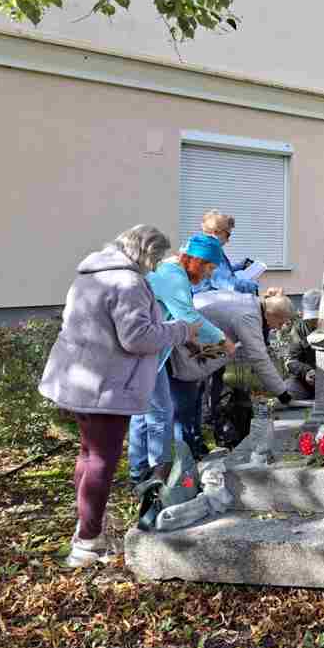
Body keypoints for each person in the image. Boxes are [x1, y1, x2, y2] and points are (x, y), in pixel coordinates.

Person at [38, 225, 197, 568]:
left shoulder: (90, 274)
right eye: (156, 259)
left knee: (88, 454)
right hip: (105, 385)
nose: (155, 266)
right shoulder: (128, 282)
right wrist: (181, 330)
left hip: (78, 380)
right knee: (101, 459)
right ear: (147, 252)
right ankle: (87, 542)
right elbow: (137, 338)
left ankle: (85, 527)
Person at [132, 234, 235, 468]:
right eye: (209, 268)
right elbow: (188, 317)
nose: (209, 275)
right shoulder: (174, 277)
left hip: (144, 349)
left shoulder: (170, 270)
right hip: (143, 352)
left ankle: (140, 471)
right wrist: (223, 340)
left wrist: (194, 345)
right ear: (195, 261)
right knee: (161, 413)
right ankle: (159, 475)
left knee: (143, 414)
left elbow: (173, 316)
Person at [194, 288, 300, 426]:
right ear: (270, 314)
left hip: (197, 333)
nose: (279, 328)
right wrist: (283, 394)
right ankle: (196, 428)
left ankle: (205, 422)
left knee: (203, 386)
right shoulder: (249, 317)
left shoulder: (251, 303)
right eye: (280, 323)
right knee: (191, 393)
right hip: (188, 339)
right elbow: (259, 359)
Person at [192, 210, 260, 295]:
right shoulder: (210, 252)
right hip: (208, 298)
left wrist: (239, 266)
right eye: (227, 235)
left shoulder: (202, 246)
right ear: (216, 232)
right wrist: (254, 285)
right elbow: (230, 284)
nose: (228, 240)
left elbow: (220, 272)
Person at [283, 289, 321, 401]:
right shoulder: (298, 329)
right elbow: (290, 361)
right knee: (285, 392)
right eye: (311, 318)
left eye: (317, 317)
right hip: (305, 381)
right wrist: (306, 371)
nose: (314, 321)